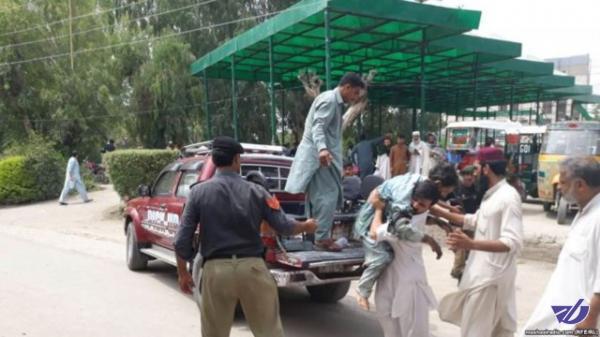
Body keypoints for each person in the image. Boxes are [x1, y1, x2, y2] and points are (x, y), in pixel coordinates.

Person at [173, 136, 317, 337]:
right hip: (253, 270)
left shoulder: (198, 193)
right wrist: (306, 226)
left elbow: (181, 241)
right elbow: (284, 226)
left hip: (216, 272)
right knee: (269, 333)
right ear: (236, 160)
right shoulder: (258, 191)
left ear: (214, 161)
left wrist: (184, 273)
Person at [432, 147, 524, 337]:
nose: (474, 173)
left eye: (476, 168)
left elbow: (511, 242)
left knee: (476, 331)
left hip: (490, 279)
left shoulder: (508, 197)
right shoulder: (492, 195)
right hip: (482, 275)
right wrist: (433, 208)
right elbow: (473, 220)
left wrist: (470, 244)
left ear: (486, 168)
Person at [353, 163, 459, 311]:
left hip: (389, 223)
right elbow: (400, 226)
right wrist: (429, 240)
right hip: (372, 223)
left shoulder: (421, 183)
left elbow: (425, 209)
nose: (445, 196)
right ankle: (363, 291)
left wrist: (441, 220)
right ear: (438, 183)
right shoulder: (405, 198)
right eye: (445, 192)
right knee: (383, 257)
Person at [285, 72, 365, 252]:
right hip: (319, 157)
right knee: (327, 195)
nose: (355, 98)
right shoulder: (329, 100)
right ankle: (322, 238)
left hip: (322, 157)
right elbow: (318, 126)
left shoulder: (333, 102)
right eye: (355, 93)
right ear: (347, 87)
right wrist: (322, 149)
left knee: (321, 197)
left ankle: (317, 234)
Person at [520, 157, 600, 336]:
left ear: (580, 185)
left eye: (563, 182)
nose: (559, 188)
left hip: (578, 320)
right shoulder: (585, 213)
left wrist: (590, 318)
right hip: (562, 313)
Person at [448, 165, 482, 281]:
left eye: (472, 177)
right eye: (467, 178)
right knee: (460, 246)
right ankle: (457, 270)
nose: (470, 180)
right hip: (456, 222)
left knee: (470, 247)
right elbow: (445, 201)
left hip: (470, 222)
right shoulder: (456, 190)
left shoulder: (476, 189)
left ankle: (463, 269)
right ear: (462, 177)